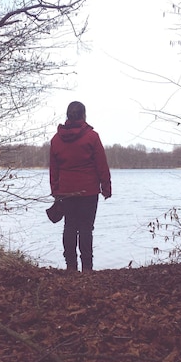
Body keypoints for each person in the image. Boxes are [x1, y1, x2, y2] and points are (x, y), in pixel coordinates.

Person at [49, 101, 112, 272]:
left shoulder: (56, 139)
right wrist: (106, 187)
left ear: (68, 115)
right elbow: (101, 164)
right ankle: (87, 267)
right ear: (84, 115)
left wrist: (55, 190)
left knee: (69, 226)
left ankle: (70, 266)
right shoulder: (92, 137)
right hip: (88, 190)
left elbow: (53, 168)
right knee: (86, 228)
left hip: (66, 190)